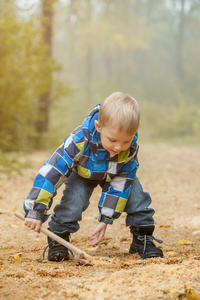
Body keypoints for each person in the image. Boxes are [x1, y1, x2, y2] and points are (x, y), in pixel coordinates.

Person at [24, 92, 163, 261]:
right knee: (74, 201)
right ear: (98, 127)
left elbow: (121, 183)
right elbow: (52, 172)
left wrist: (105, 219)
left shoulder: (130, 148)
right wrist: (35, 210)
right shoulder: (78, 141)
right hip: (83, 174)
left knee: (136, 196)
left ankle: (143, 237)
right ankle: (58, 239)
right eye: (112, 140)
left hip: (116, 175)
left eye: (125, 141)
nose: (119, 147)